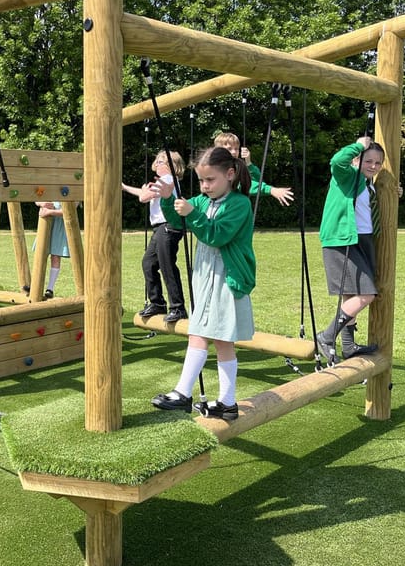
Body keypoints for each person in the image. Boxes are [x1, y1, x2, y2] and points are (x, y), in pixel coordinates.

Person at [150, 146, 256, 420]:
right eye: (201, 180)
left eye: (210, 180)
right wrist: (167, 199)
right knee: (214, 338)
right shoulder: (201, 201)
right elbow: (176, 221)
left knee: (214, 338)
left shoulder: (239, 204)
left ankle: (186, 394)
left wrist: (192, 213)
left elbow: (217, 235)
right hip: (206, 279)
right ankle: (226, 403)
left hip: (226, 280)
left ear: (230, 175)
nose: (204, 186)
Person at [315, 135, 384, 362]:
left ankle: (348, 346)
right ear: (356, 160)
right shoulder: (348, 176)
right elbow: (336, 162)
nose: (373, 166)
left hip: (361, 239)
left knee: (351, 294)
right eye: (368, 161)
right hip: (342, 239)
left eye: (377, 163)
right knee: (366, 294)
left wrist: (394, 193)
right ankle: (326, 336)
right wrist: (357, 146)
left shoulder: (368, 184)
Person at [122, 150, 187, 322]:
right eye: (157, 161)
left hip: (168, 226)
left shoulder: (168, 180)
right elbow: (142, 192)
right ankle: (157, 302)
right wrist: (123, 187)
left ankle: (178, 307)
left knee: (167, 265)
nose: (157, 164)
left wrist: (144, 191)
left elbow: (144, 197)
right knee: (148, 263)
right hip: (161, 228)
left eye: (161, 161)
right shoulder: (163, 181)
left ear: (172, 166)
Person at [214, 132, 294, 206]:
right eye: (229, 149)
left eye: (236, 148)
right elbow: (242, 185)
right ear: (218, 150)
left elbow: (258, 181)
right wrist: (271, 190)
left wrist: (248, 163)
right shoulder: (218, 168)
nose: (234, 152)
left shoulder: (238, 166)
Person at [33, 201, 70, 299]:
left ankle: (50, 288)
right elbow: (36, 197)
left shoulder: (73, 189)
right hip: (45, 223)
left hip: (59, 226)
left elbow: (69, 211)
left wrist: (50, 212)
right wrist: (41, 203)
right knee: (40, 255)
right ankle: (34, 285)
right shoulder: (49, 187)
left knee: (55, 257)